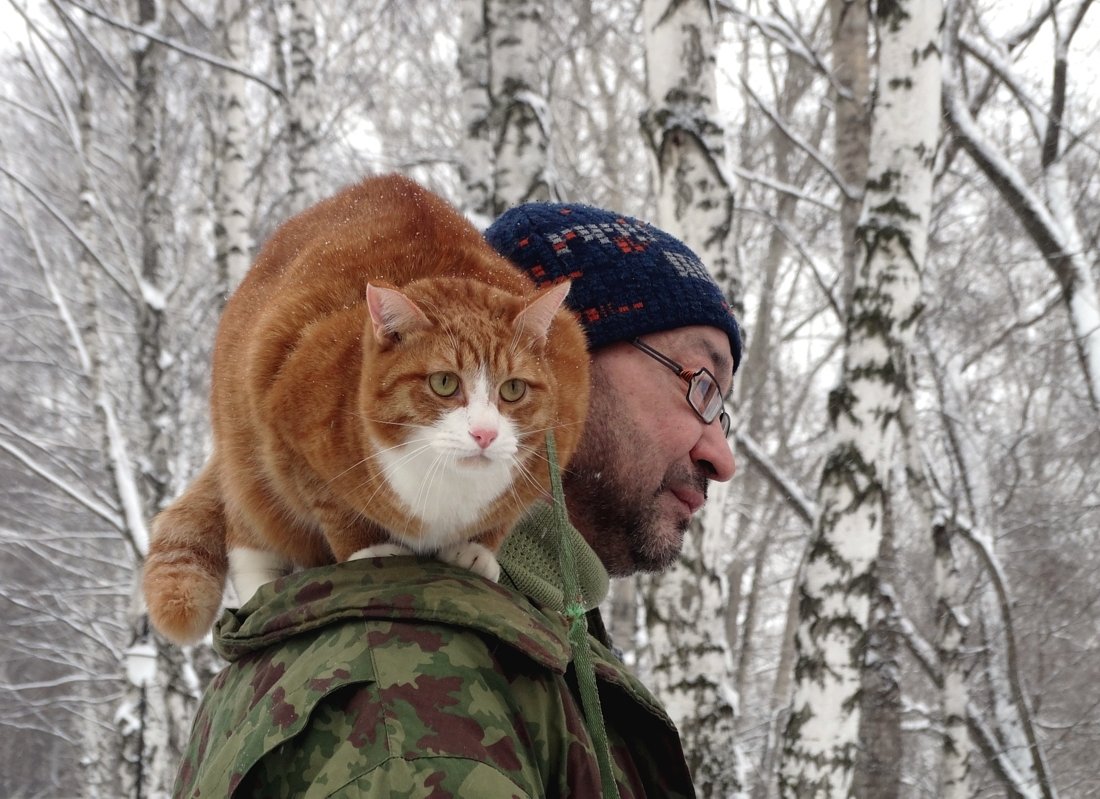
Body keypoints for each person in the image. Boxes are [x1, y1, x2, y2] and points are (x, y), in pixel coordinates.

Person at [173, 201, 742, 798]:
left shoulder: (527, 651)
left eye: (725, 410)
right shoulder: (410, 678)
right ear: (566, 356)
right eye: (701, 385)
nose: (722, 457)